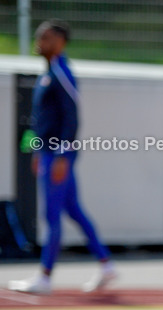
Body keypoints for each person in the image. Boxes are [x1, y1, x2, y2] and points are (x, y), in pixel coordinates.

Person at [8, 19, 116, 295]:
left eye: (45, 37)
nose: (38, 40)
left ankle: (44, 277)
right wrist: (35, 148)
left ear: (60, 41)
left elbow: (71, 117)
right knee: (74, 210)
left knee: (52, 215)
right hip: (48, 152)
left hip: (57, 154)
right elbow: (43, 120)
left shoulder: (62, 73)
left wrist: (60, 155)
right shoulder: (50, 72)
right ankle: (106, 265)